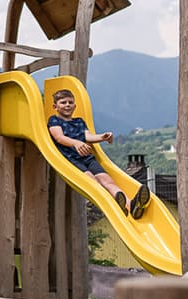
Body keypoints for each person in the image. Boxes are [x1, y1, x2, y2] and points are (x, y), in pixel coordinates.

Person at [47, 88, 147, 218]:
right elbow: (59, 137)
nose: (67, 105)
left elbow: (88, 137)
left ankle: (130, 205)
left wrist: (102, 137)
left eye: (70, 102)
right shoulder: (54, 120)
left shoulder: (79, 122)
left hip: (88, 158)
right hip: (72, 160)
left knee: (108, 181)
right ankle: (115, 207)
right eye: (63, 102)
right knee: (95, 183)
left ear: (75, 105)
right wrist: (76, 143)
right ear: (55, 106)